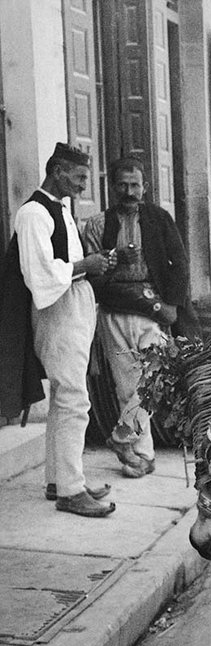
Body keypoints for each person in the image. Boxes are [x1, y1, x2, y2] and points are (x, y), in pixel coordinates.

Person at [0, 143, 116, 516]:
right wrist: (87, 265)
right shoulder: (34, 213)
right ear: (58, 170)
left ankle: (59, 480)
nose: (84, 185)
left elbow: (64, 263)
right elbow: (41, 276)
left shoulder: (60, 210)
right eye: (79, 177)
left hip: (73, 306)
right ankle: (70, 490)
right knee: (72, 399)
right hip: (56, 309)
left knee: (67, 398)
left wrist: (91, 266)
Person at [82, 156, 197, 479]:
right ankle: (142, 454)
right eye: (123, 185)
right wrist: (116, 262)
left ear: (144, 187)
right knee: (125, 384)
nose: (129, 191)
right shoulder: (97, 225)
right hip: (114, 310)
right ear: (111, 187)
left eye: (135, 185)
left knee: (153, 379)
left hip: (151, 308)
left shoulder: (160, 219)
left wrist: (171, 305)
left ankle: (122, 435)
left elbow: (180, 264)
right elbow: (93, 277)